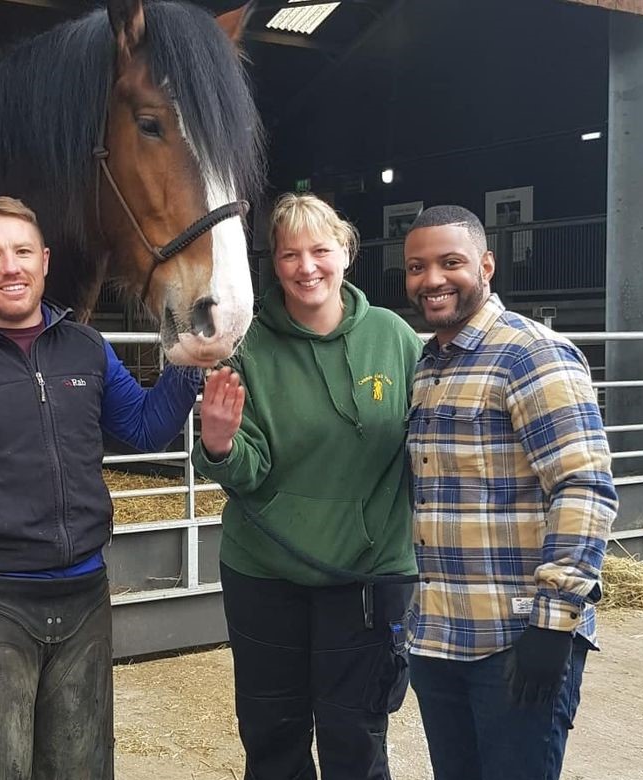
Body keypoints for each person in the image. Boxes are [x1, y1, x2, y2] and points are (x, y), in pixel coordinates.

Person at [0, 196, 201, 780]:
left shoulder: (88, 349)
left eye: (22, 251)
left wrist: (189, 362)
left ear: (45, 261)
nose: (11, 266)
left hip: (83, 601)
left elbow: (146, 428)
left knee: (81, 768)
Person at [192, 192, 422, 780]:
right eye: (290, 254)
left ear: (346, 251)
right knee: (274, 733)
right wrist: (219, 443)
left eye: (320, 249)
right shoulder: (246, 345)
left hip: (367, 574)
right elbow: (249, 468)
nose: (306, 266)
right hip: (266, 572)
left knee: (357, 734)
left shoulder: (395, 339)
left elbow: (429, 441)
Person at [402, 205, 618, 780]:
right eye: (416, 267)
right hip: (441, 637)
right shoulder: (430, 366)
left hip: (516, 640)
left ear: (487, 265)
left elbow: (583, 485)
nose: (432, 280)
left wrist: (555, 619)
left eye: (451, 263)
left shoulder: (530, 354)